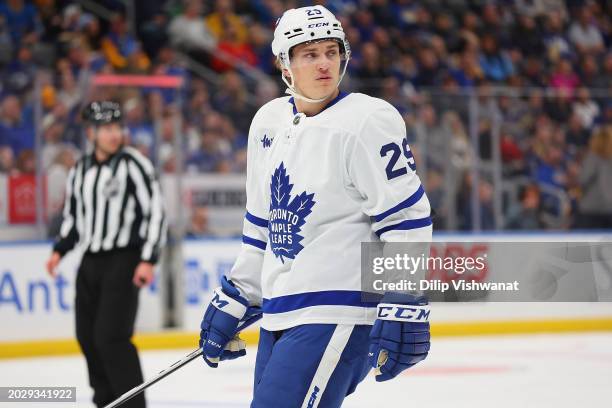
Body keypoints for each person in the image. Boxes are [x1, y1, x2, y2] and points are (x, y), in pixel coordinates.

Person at [198, 6, 432, 407]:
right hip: (278, 311)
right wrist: (239, 292)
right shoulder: (267, 122)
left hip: (338, 309)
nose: (324, 64)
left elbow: (406, 219)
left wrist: (403, 300)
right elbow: (262, 226)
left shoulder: (367, 120)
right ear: (284, 65)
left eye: (331, 51)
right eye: (309, 54)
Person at [45, 101, 167, 408]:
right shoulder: (80, 170)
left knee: (111, 338)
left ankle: (131, 405)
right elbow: (74, 218)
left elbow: (155, 211)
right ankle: (105, 402)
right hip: (91, 262)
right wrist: (59, 251)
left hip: (123, 260)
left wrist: (148, 259)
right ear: (91, 132)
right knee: (87, 337)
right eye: (107, 129)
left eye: (117, 128)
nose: (114, 134)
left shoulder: (133, 164)